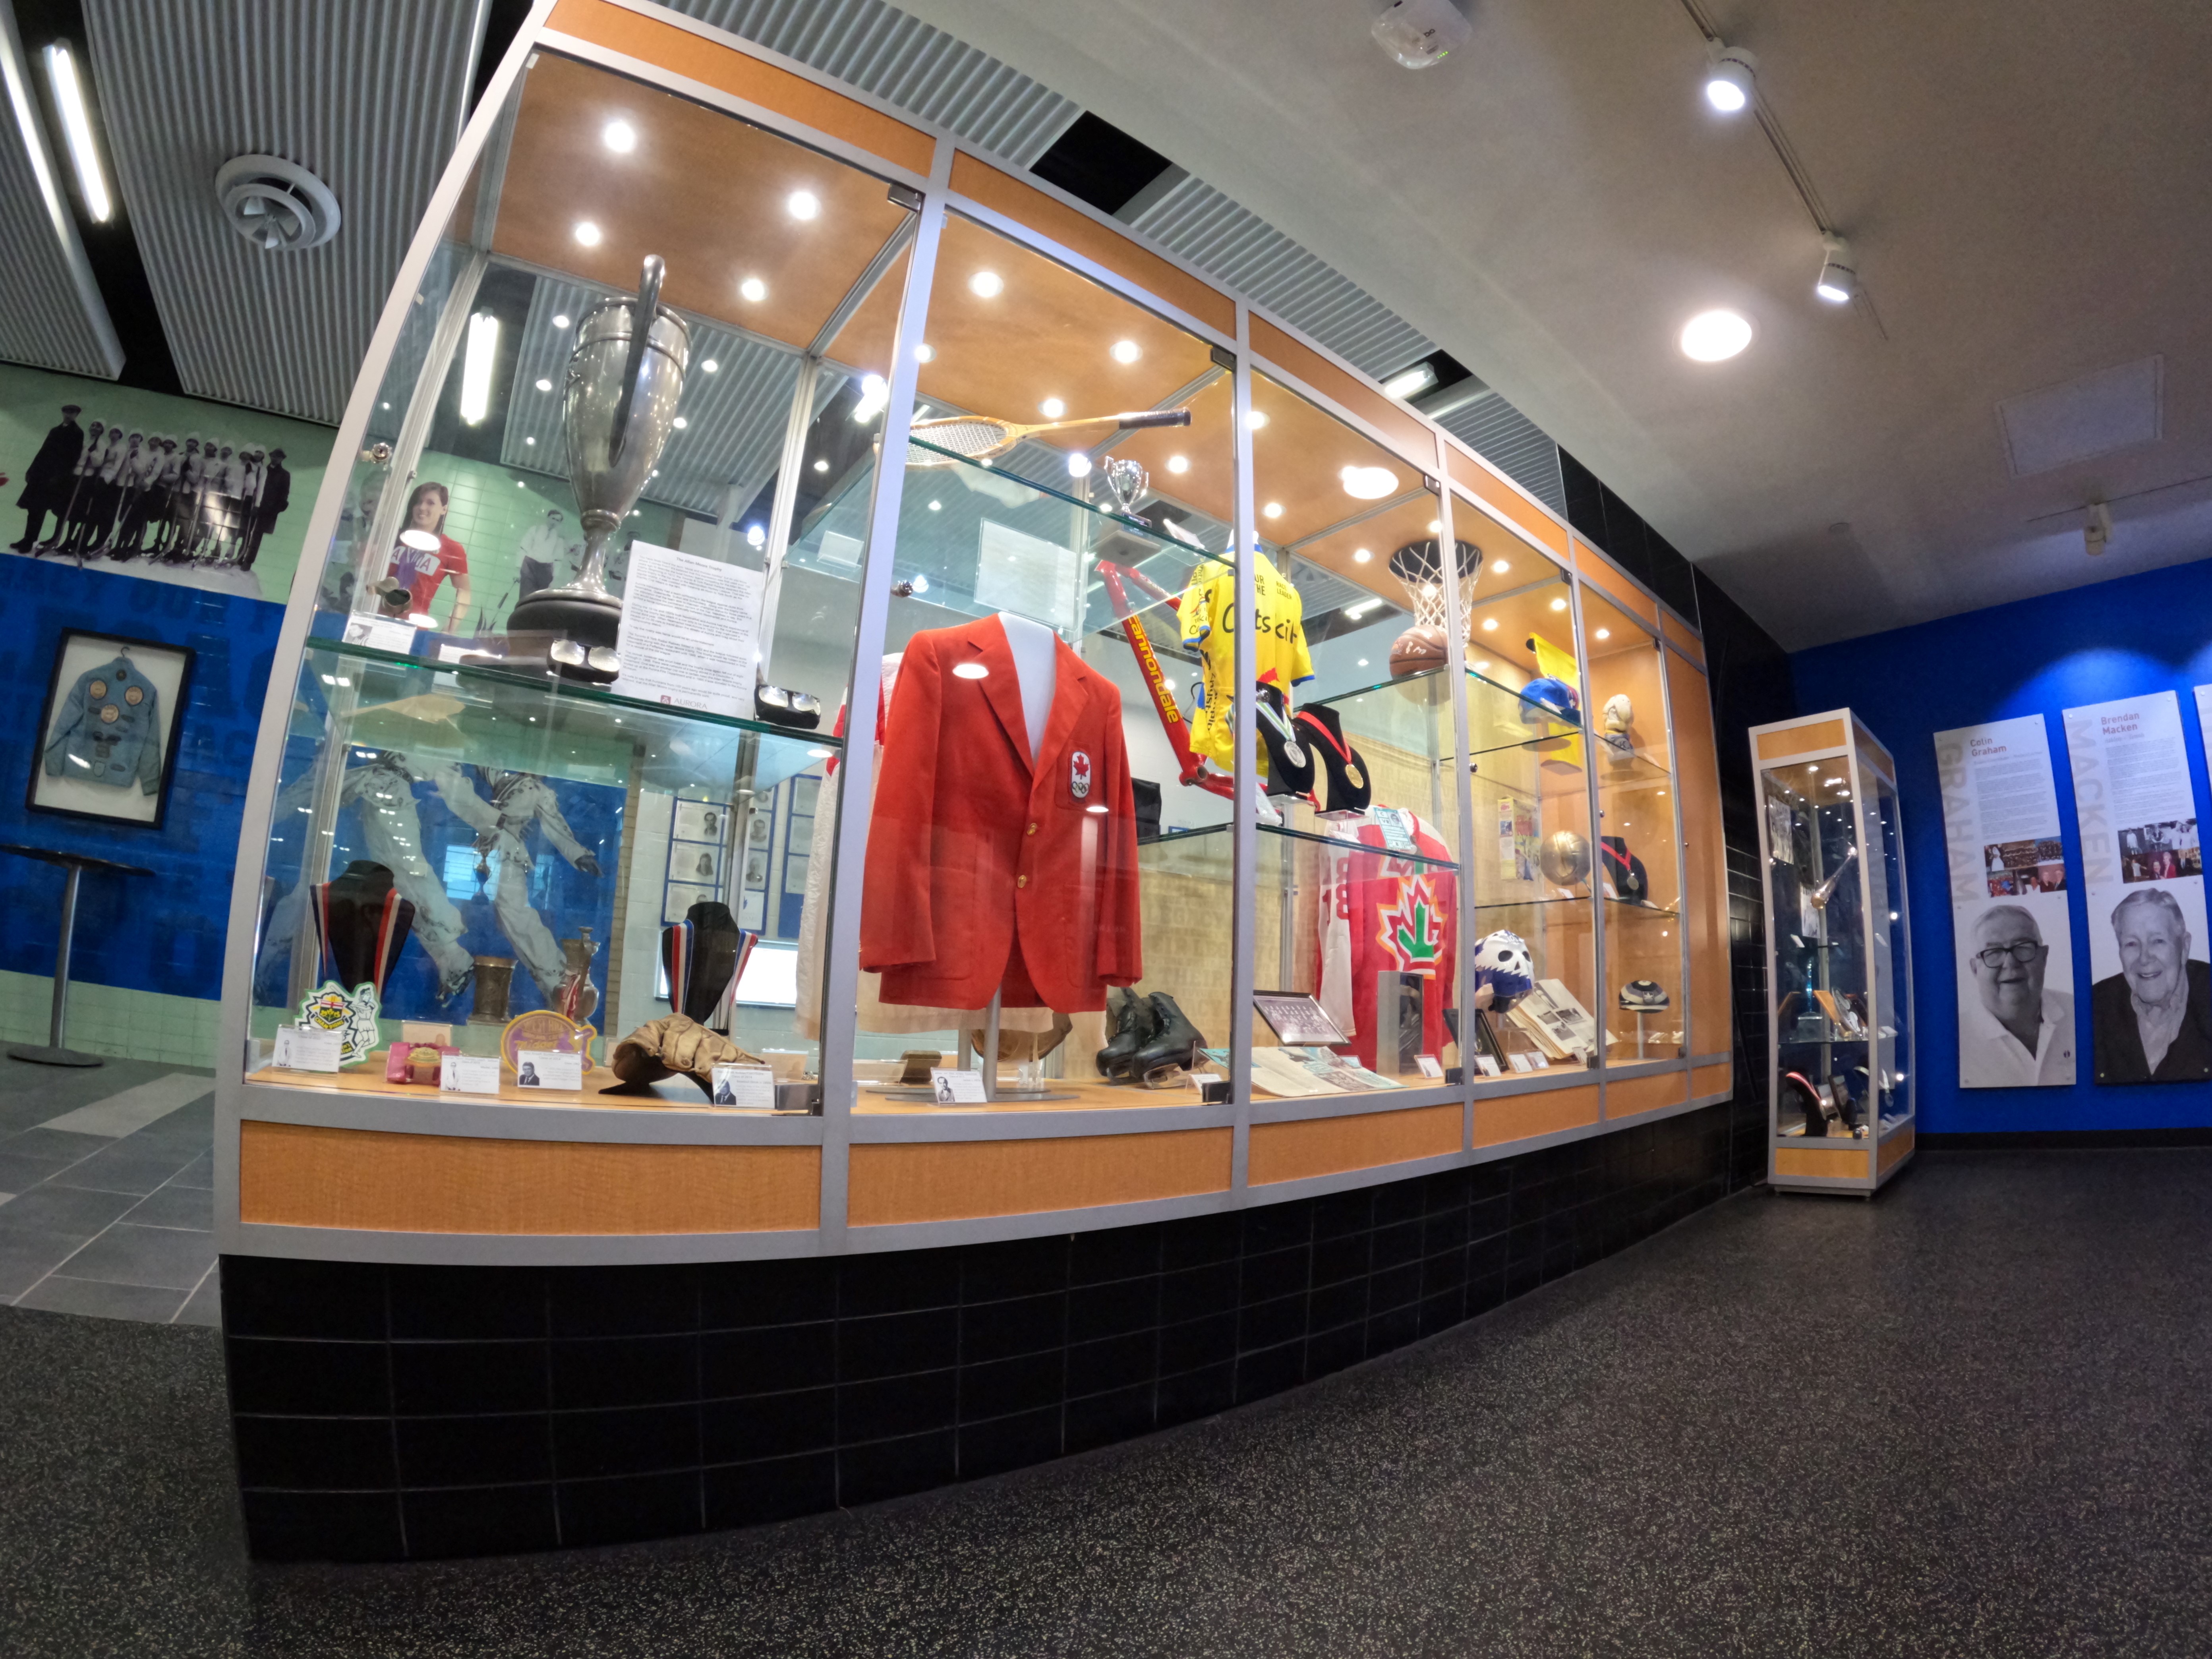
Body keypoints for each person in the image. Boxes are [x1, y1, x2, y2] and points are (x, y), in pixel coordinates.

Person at [2091, 887, 2212, 1083]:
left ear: (2185, 947)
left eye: (2158, 941)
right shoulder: (2095, 1005)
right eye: (2131, 944)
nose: (2145, 958)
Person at [1959, 905, 2075, 1086]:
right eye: (1994, 952)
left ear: (2044, 958)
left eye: (2023, 947)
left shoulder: (2082, 1014)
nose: (2010, 964)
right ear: (1975, 969)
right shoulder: (1956, 1041)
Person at [389, 482, 471, 628]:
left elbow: (464, 592)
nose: (422, 508)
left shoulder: (451, 549)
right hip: (375, 615)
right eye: (418, 502)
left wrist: (450, 629)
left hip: (415, 626)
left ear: (444, 509)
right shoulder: (392, 536)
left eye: (431, 503)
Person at [11, 404, 83, 551]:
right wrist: (31, 470)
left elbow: (73, 458)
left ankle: (31, 541)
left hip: (54, 479)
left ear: (77, 415)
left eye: (72, 413)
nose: (68, 415)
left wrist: (59, 477)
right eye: (66, 412)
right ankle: (27, 537)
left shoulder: (77, 433)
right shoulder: (55, 431)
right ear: (63, 413)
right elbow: (43, 451)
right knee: (33, 508)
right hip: (40, 474)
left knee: (40, 509)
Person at [244, 448, 288, 570]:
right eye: (274, 456)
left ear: (282, 459)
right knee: (247, 531)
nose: (275, 459)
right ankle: (241, 556)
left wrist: (274, 510)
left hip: (268, 511)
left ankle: (248, 562)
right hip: (255, 506)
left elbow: (284, 496)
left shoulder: (285, 475)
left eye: (279, 457)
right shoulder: (263, 470)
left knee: (257, 536)